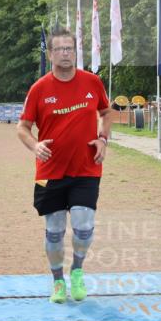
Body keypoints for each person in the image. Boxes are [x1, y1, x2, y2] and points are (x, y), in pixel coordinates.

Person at [17, 28, 115, 304]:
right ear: (50, 55)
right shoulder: (39, 89)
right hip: (49, 172)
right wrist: (35, 145)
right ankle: (58, 280)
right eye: (58, 49)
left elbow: (106, 113)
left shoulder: (92, 82)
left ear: (75, 52)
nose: (65, 53)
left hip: (87, 168)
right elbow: (22, 128)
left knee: (84, 225)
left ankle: (78, 271)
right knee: (55, 229)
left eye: (69, 49)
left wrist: (103, 139)